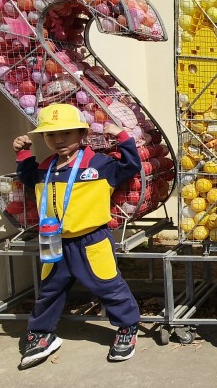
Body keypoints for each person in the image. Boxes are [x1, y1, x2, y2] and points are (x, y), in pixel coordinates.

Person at [13, 103, 142, 369]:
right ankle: (42, 333)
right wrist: (23, 152)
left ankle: (127, 327)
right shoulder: (45, 167)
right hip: (54, 240)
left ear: (82, 134)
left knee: (108, 285)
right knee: (50, 289)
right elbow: (27, 178)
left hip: (91, 240)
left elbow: (131, 166)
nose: (58, 140)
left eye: (67, 133)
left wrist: (122, 136)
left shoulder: (98, 164)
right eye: (50, 135)